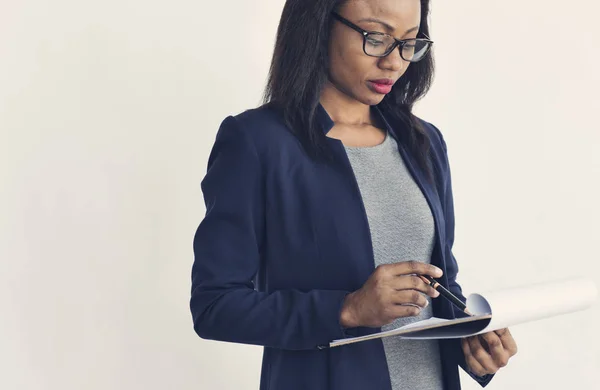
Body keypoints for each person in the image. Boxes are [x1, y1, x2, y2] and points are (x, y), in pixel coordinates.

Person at [189, 0, 518, 389]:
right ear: (318, 25)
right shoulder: (258, 142)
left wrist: (472, 339)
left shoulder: (424, 142)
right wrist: (347, 309)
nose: (395, 62)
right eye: (376, 38)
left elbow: (439, 285)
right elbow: (215, 306)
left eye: (409, 43)